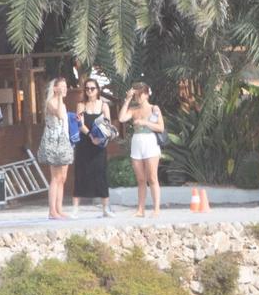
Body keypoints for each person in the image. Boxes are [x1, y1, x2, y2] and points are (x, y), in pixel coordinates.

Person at [72, 77, 115, 218]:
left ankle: (105, 209)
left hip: (100, 144)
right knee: (80, 173)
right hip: (85, 143)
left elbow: (107, 124)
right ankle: (75, 209)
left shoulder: (104, 105)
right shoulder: (81, 105)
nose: (89, 91)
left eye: (92, 88)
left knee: (101, 174)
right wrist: (91, 135)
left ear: (97, 90)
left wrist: (101, 137)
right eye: (87, 88)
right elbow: (80, 124)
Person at [120, 83, 165, 217]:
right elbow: (122, 118)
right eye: (135, 95)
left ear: (146, 94)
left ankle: (156, 209)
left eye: (139, 95)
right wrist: (127, 99)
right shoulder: (133, 109)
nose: (137, 98)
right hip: (137, 143)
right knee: (140, 179)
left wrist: (145, 123)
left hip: (150, 142)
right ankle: (140, 209)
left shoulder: (154, 108)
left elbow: (161, 127)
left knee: (152, 177)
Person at [39, 76, 74, 220]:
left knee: (63, 177)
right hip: (54, 141)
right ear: (55, 89)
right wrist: (59, 97)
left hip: (63, 140)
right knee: (55, 177)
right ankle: (52, 210)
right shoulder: (51, 103)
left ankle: (59, 209)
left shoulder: (63, 104)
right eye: (62, 87)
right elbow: (59, 114)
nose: (64, 90)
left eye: (66, 87)